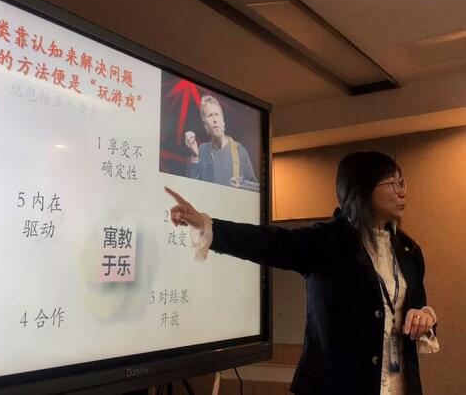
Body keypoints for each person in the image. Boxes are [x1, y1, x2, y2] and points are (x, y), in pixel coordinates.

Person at [166, 151, 438, 395]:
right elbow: (269, 243)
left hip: (399, 384)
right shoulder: (329, 241)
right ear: (362, 188)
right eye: (393, 183)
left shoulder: (408, 250)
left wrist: (425, 317)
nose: (402, 191)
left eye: (402, 183)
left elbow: (418, 307)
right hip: (337, 385)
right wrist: (206, 225)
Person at [185, 95, 258, 190]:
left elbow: (254, 187)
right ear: (205, 126)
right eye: (210, 115)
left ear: (223, 122)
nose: (215, 120)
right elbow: (192, 189)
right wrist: (195, 156)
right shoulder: (202, 150)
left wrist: (242, 185)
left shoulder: (239, 150)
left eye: (217, 114)